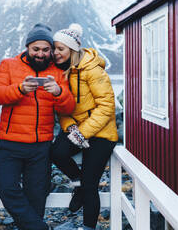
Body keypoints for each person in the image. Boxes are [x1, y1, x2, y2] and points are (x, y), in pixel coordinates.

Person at [0, 23, 75, 230]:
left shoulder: (57, 71)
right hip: (10, 143)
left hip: (41, 147)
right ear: (27, 47)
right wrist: (19, 89)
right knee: (4, 185)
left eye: (46, 50)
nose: (41, 54)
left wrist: (58, 93)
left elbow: (69, 107)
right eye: (36, 49)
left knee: (37, 195)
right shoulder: (8, 65)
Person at [50, 23, 118, 230]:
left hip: (101, 133)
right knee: (56, 153)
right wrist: (71, 127)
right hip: (77, 129)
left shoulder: (93, 70)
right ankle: (76, 183)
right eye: (55, 48)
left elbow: (107, 106)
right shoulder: (63, 72)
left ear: (72, 49)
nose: (55, 53)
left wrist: (83, 132)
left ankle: (88, 226)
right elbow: (62, 109)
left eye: (60, 49)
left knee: (91, 184)